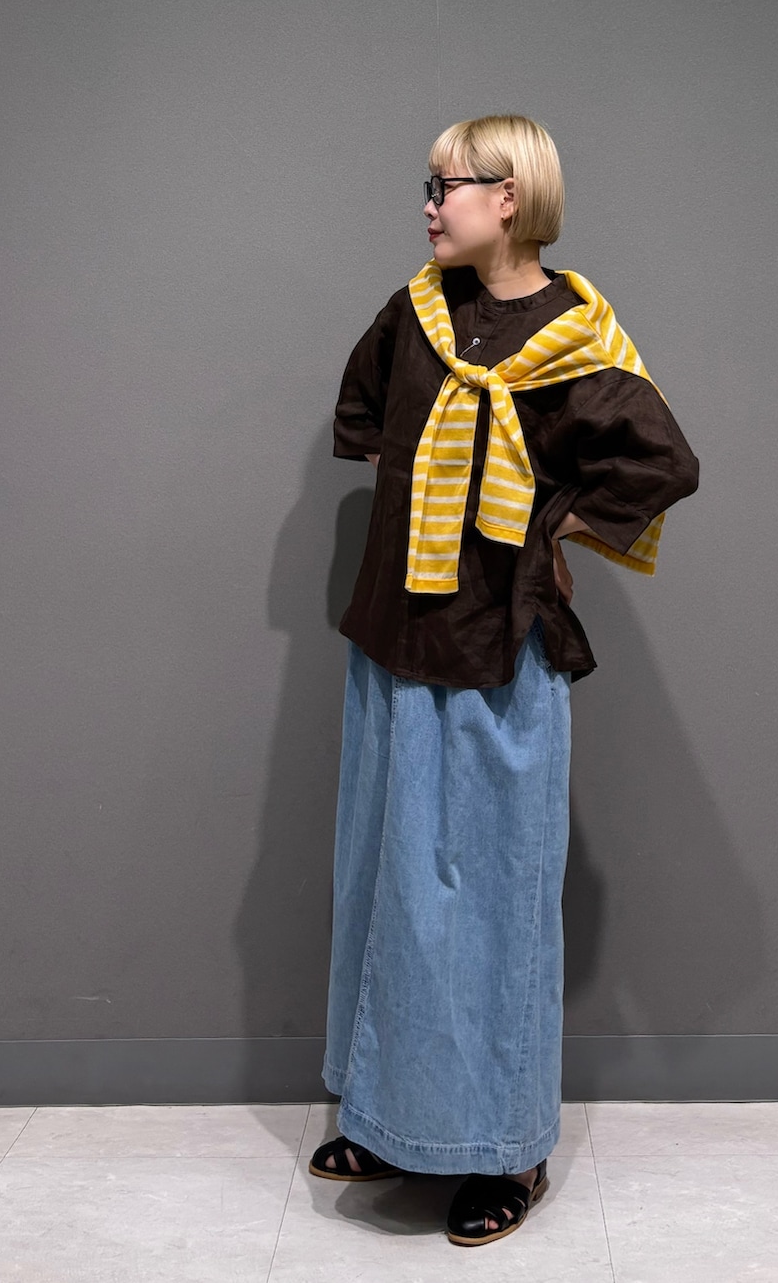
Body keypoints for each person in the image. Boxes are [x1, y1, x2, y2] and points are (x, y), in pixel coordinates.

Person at [309, 114, 699, 1246]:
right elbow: (365, 423)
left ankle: (503, 1147)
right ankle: (392, 1118)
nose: (430, 205)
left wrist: (539, 530)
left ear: (512, 196)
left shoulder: (577, 336)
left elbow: (660, 461)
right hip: (396, 634)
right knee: (389, 883)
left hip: (501, 649)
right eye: (429, 185)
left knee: (492, 899)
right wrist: (435, 499)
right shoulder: (414, 316)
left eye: (449, 185)